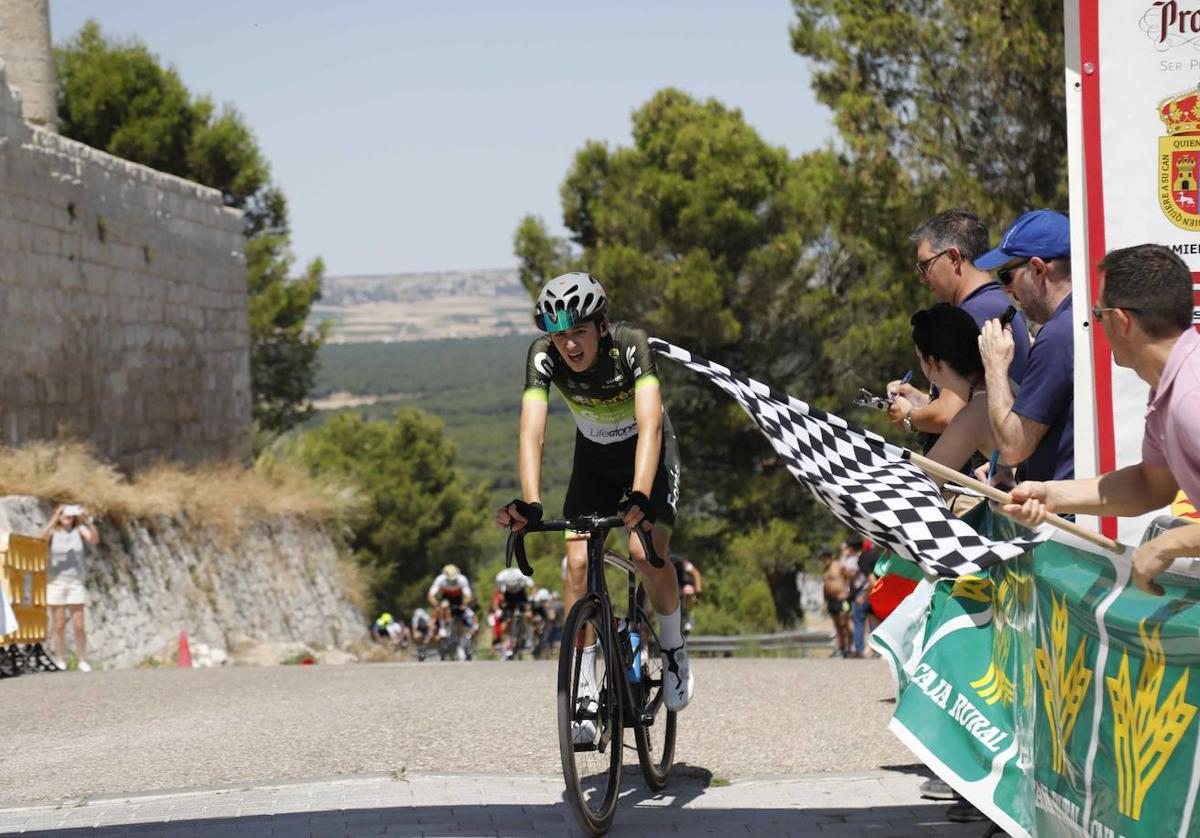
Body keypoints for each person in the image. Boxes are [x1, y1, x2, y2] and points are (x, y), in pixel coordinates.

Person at [495, 271, 693, 736]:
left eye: (579, 333)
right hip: (594, 461)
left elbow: (650, 425)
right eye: (560, 335)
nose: (569, 346)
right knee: (578, 568)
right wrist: (530, 501)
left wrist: (641, 495)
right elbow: (533, 430)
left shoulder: (629, 345)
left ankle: (672, 647)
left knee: (645, 552)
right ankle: (584, 683)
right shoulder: (543, 356)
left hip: (649, 455)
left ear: (601, 327)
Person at [1002, 244, 1200, 593]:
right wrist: (1050, 494)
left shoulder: (1190, 397)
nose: (1098, 323)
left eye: (1099, 312)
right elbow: (1150, 485)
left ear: (1122, 321)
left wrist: (1169, 544)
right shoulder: (1168, 389)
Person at [889, 209, 1031, 440]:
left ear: (954, 257)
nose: (923, 278)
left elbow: (948, 415)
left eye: (925, 266)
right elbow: (969, 402)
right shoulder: (994, 304)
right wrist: (920, 400)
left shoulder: (972, 315)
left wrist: (910, 417)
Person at [977, 210, 1075, 483]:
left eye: (1006, 275)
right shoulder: (1086, 319)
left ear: (1038, 269)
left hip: (1065, 519)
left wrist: (995, 367)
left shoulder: (1057, 336)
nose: (1005, 290)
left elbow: (1012, 447)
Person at [41, 504, 100, 672]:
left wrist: (89, 522)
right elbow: (41, 538)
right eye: (64, 515)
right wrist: (54, 518)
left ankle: (82, 659)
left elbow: (94, 539)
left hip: (75, 582)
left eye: (70, 515)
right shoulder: (53, 532)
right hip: (56, 582)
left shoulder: (79, 529)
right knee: (59, 625)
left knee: (79, 625)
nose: (68, 518)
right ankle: (60, 659)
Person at [494, 566, 534, 658]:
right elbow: (498, 591)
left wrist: (531, 598)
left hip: (521, 595)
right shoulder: (501, 577)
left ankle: (529, 638)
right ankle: (506, 645)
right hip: (508, 597)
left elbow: (532, 586)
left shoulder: (522, 574)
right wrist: (500, 600)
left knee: (528, 615)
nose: (513, 584)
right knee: (506, 622)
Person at [821, 548, 852, 657]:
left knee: (845, 623)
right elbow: (825, 588)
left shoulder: (838, 565)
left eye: (827, 557)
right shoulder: (825, 570)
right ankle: (841, 648)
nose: (825, 560)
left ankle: (851, 647)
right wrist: (825, 603)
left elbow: (848, 576)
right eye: (824, 558)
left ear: (831, 557)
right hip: (832, 601)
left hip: (842, 599)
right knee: (837, 626)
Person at [427, 564, 474, 631]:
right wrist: (437, 605)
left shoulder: (462, 579)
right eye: (450, 580)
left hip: (458, 598)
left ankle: (461, 633)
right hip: (446, 598)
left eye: (455, 579)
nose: (453, 581)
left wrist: (464, 604)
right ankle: (440, 627)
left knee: (461, 614)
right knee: (442, 607)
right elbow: (430, 595)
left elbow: (468, 596)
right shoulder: (440, 579)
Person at [672, 555, 703, 634]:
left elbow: (696, 574)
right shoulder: (664, 564)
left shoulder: (684, 563)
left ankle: (690, 617)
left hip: (685, 582)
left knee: (688, 591)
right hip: (674, 583)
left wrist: (698, 590)